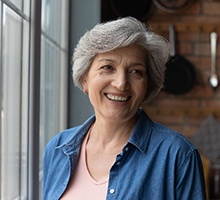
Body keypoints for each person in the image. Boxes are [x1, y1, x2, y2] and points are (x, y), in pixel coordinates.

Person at [43, 17, 206, 200]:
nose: (121, 84)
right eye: (107, 67)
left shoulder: (177, 155)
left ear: (147, 87)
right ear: (84, 79)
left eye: (136, 71)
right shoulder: (57, 149)